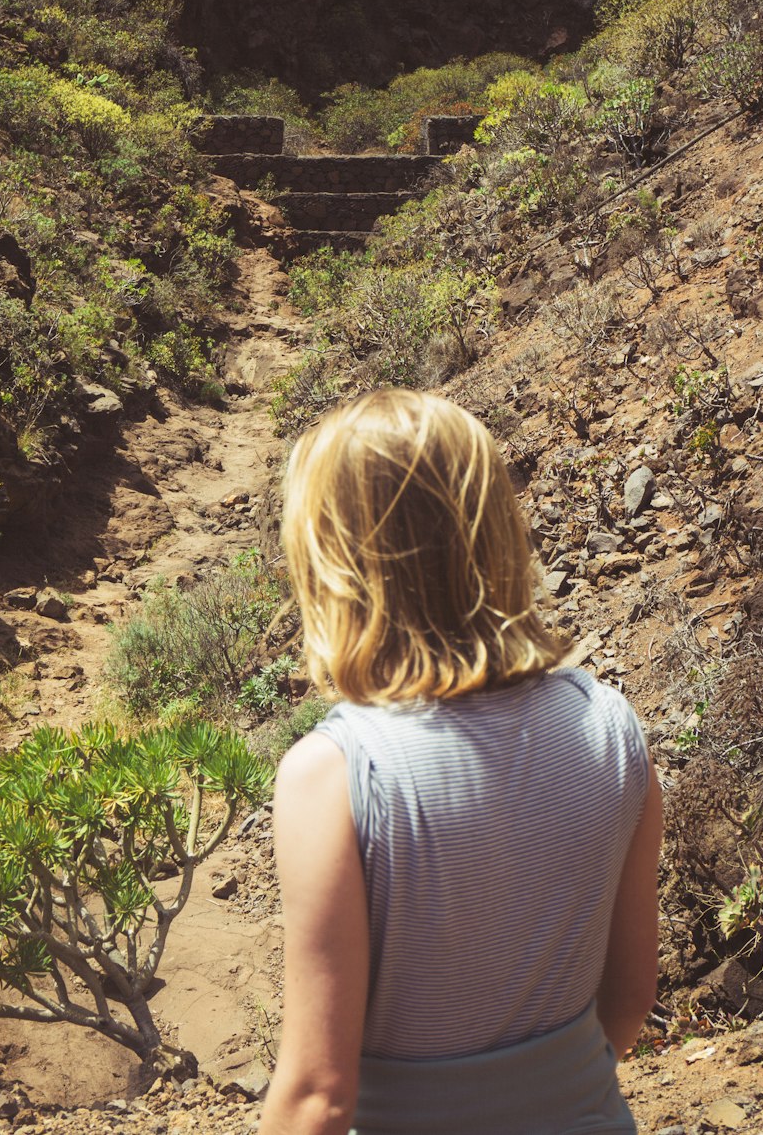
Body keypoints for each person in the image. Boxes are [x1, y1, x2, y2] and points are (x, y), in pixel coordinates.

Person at [258, 389, 662, 1135]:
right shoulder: (610, 727)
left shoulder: (336, 774)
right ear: (497, 536)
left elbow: (318, 1095)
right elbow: (632, 995)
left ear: (335, 563)